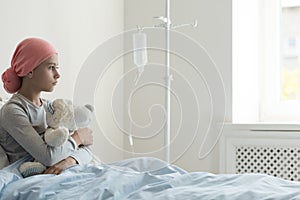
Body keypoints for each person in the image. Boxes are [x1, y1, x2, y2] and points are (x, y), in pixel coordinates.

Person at [0, 37, 93, 175]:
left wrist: (70, 160)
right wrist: (77, 138)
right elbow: (48, 157)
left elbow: (88, 147)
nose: (57, 75)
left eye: (57, 68)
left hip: (63, 170)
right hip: (31, 177)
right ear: (29, 71)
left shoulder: (51, 108)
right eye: (51, 68)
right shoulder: (13, 111)